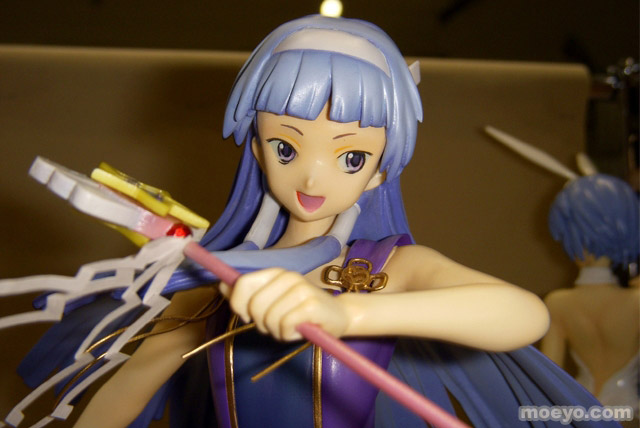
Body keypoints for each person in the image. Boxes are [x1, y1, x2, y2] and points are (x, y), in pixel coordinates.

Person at [11, 15, 616, 428]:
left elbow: (523, 314)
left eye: (350, 157)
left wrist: (348, 315)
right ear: (256, 148)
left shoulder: (391, 268)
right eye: (286, 147)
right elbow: (128, 390)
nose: (311, 178)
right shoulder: (219, 282)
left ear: (378, 172)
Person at [541, 174, 639, 414]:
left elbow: (547, 380)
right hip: (629, 411)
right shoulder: (636, 302)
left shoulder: (557, 304)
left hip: (581, 411)